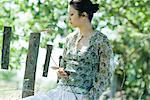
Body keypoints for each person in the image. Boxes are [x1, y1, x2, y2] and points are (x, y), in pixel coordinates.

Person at [24, 0, 114, 100]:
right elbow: (64, 66)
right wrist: (61, 72)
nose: (69, 18)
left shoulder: (101, 41)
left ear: (84, 15)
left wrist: (89, 97)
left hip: (82, 96)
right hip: (60, 91)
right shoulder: (70, 39)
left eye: (72, 14)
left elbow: (105, 75)